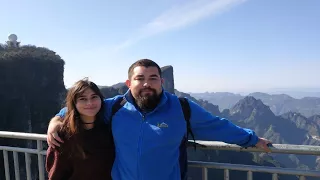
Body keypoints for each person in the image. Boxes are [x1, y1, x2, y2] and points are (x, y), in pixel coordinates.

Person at [47, 59, 271, 180]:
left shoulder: (181, 108)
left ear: (161, 82)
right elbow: (81, 108)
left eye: (153, 78)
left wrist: (251, 139)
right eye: (140, 78)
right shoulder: (114, 106)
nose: (147, 84)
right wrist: (56, 121)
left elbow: (218, 126)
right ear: (129, 83)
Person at [45, 78, 115, 180]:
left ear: (101, 99)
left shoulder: (109, 130)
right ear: (74, 103)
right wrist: (54, 121)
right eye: (82, 99)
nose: (89, 103)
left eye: (94, 97)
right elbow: (56, 174)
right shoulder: (63, 136)